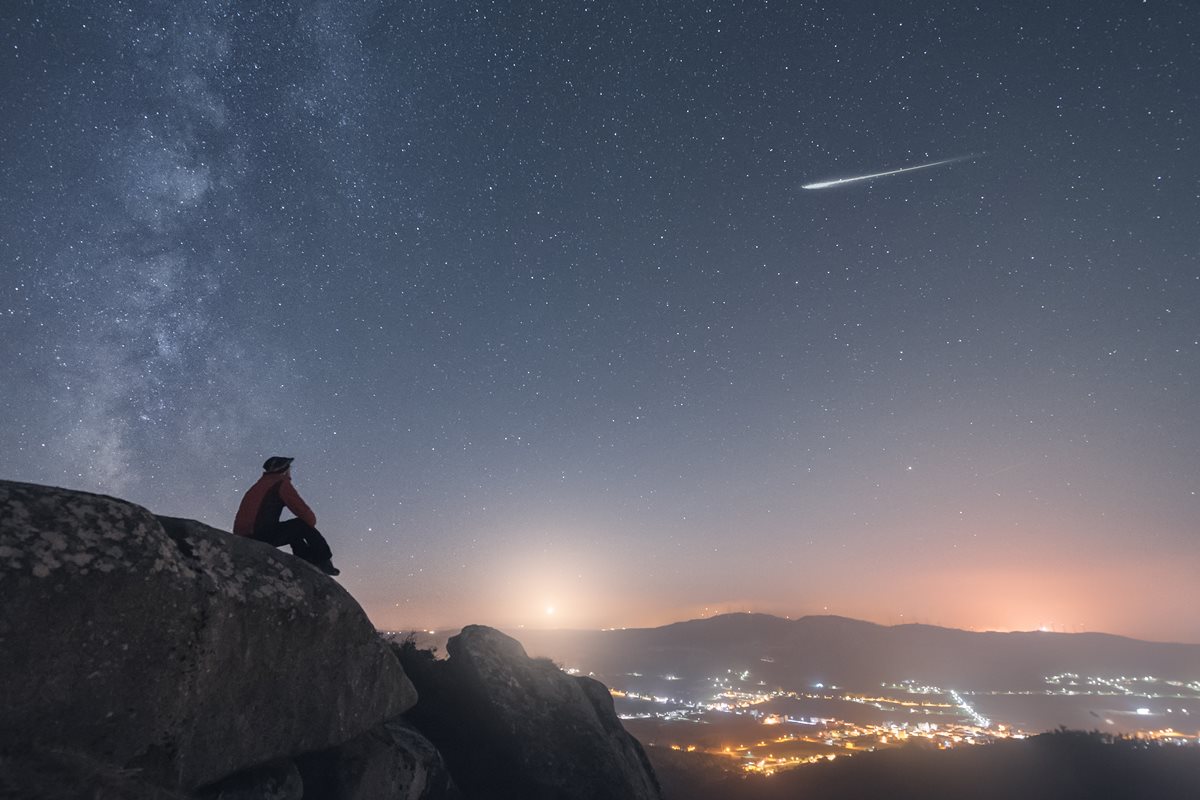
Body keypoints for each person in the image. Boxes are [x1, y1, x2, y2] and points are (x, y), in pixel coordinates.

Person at [233, 456, 340, 576]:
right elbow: (307, 516)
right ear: (285, 470)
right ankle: (323, 561)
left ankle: (306, 560)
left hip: (244, 535)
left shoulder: (258, 485)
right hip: (259, 535)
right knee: (301, 524)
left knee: (293, 530)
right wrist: (309, 523)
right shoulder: (280, 483)